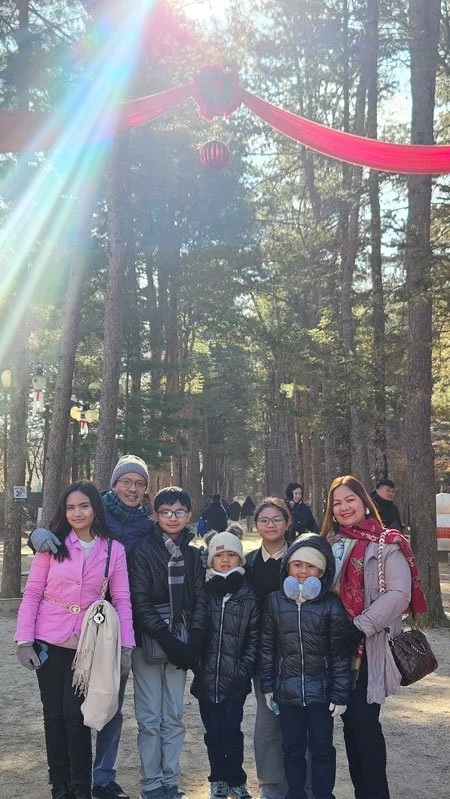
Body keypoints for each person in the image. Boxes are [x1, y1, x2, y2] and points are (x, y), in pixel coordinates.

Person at [30, 454, 153, 799]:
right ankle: (66, 786)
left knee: (104, 708)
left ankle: (98, 779)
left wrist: (127, 644)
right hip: (71, 633)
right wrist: (36, 535)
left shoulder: (146, 527)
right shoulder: (87, 516)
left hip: (110, 631)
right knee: (64, 715)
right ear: (112, 486)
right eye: (126, 481)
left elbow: (127, 593)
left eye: (139, 483)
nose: (132, 488)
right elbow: (42, 572)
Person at [322, 475, 428, 799]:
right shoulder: (328, 544)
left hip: (368, 647)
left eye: (350, 500)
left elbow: (399, 594)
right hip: (333, 649)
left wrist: (359, 626)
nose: (344, 507)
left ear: (365, 502)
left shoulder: (386, 543)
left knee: (365, 726)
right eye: (337, 503)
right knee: (350, 727)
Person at [128, 486, 207, 799]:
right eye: (165, 512)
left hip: (183, 638)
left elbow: (200, 596)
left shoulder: (195, 550)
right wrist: (164, 636)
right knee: (150, 716)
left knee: (174, 713)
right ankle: (151, 782)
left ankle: (170, 779)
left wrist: (194, 638)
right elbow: (139, 601)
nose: (172, 518)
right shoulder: (142, 550)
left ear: (189, 515)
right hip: (148, 640)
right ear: (155, 515)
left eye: (179, 512)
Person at [260, 535, 352, 799]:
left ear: (321, 572)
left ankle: (323, 794)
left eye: (311, 566)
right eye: (297, 564)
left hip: (321, 696)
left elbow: (339, 654)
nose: (303, 571)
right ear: (287, 567)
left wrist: (340, 694)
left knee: (322, 749)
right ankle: (296, 794)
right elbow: (267, 648)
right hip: (287, 694)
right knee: (293, 750)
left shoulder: (331, 604)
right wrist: (268, 687)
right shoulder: (274, 602)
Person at [191, 531, 260, 799]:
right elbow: (195, 630)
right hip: (206, 679)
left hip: (235, 681)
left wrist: (243, 671)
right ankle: (217, 778)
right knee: (213, 734)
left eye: (232, 555)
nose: (225, 560)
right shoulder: (204, 593)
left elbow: (254, 639)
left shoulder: (248, 595)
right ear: (211, 560)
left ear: (240, 559)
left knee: (232, 733)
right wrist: (198, 664)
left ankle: (236, 779)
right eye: (219, 555)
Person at [245, 497, 290, 799]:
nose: (270, 525)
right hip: (263, 653)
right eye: (264, 520)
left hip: (300, 650)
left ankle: (302, 785)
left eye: (276, 519)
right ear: (256, 524)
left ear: (288, 523)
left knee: (300, 722)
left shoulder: (301, 557)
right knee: (268, 719)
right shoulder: (248, 563)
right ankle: (271, 786)